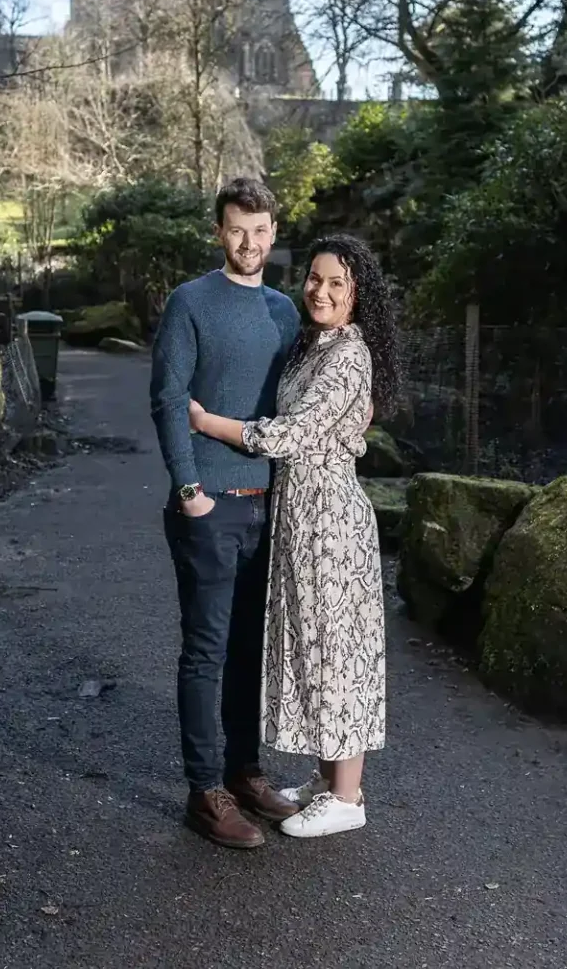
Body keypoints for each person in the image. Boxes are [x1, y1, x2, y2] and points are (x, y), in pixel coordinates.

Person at [188, 233, 400, 839]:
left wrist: (208, 423)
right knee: (314, 645)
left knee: (337, 652)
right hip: (300, 515)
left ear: (359, 295)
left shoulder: (348, 356)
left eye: (338, 283)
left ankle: (349, 797)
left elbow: (292, 434)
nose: (321, 291)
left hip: (330, 520)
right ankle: (328, 779)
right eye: (315, 278)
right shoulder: (315, 346)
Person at [149, 178, 302, 849]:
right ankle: (204, 790)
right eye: (237, 229)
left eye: (261, 229)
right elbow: (167, 398)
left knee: (249, 650)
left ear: (274, 232)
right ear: (219, 231)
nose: (250, 241)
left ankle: (244, 772)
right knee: (206, 650)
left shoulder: (286, 310)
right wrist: (189, 489)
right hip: (209, 505)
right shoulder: (191, 302)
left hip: (269, 506)